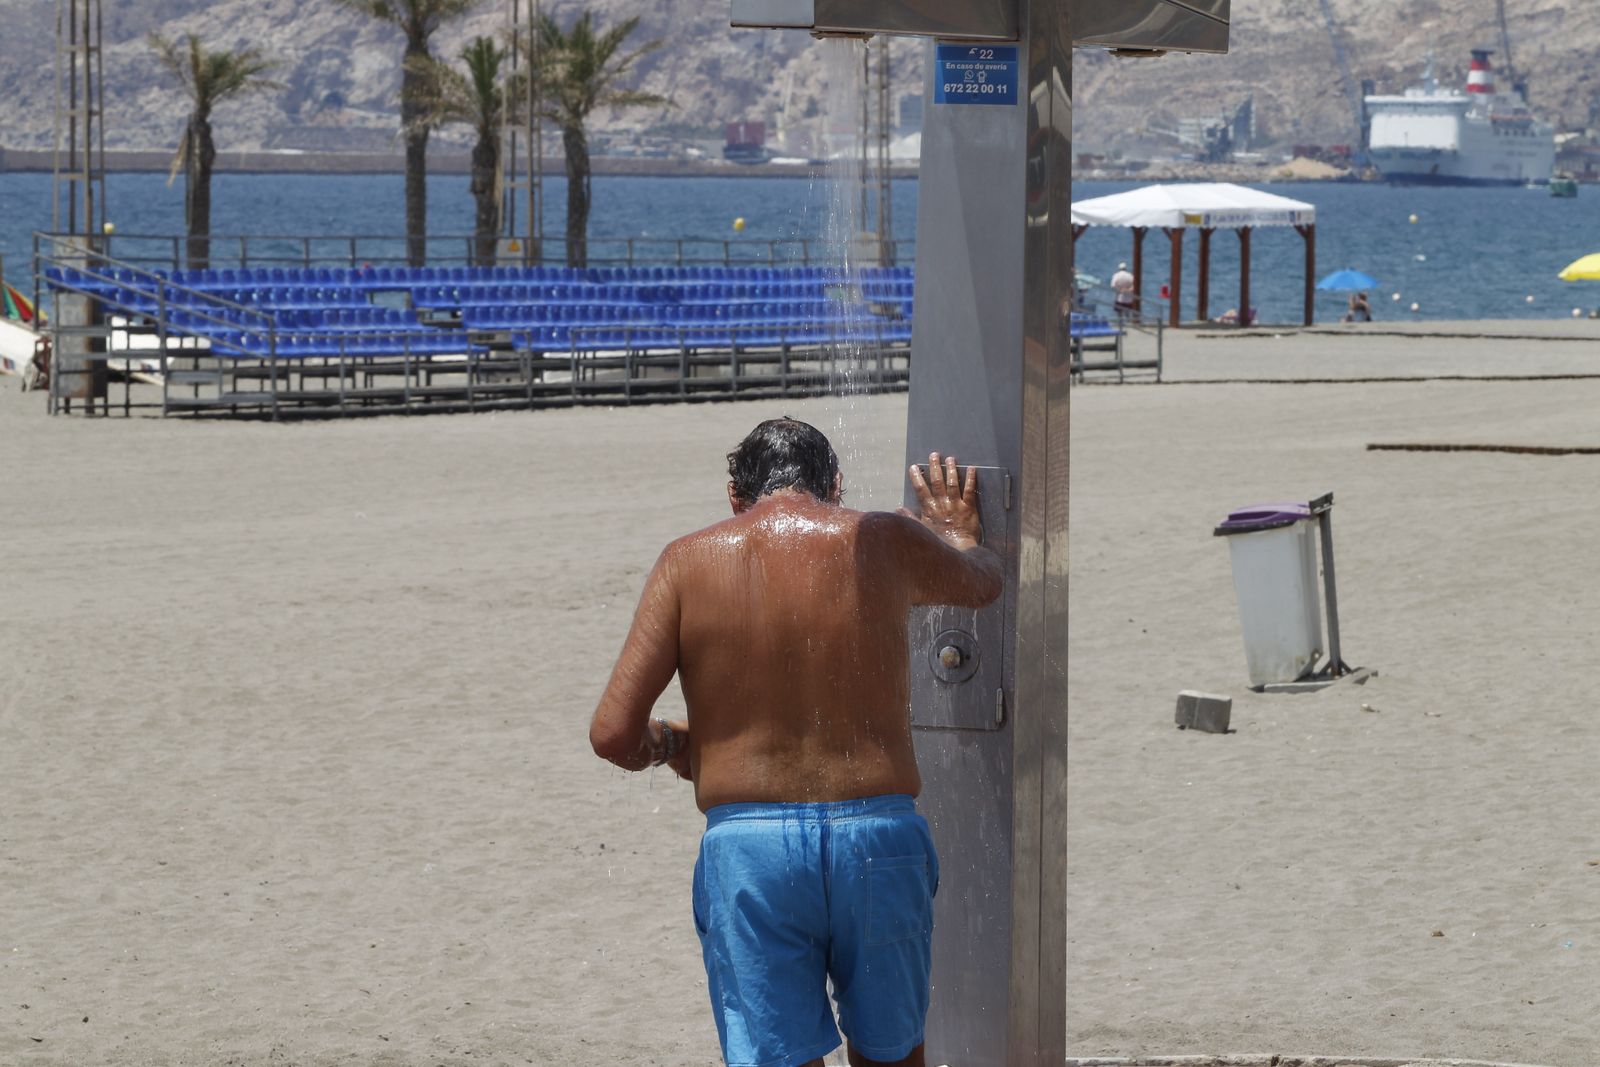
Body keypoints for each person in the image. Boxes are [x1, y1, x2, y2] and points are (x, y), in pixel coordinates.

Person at [589, 417, 1003, 1067]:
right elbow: (982, 583)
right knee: (893, 1055)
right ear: (834, 486)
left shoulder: (687, 560)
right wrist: (955, 536)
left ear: (734, 495)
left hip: (751, 856)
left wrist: (670, 744)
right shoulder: (886, 538)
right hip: (877, 840)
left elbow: (613, 733)